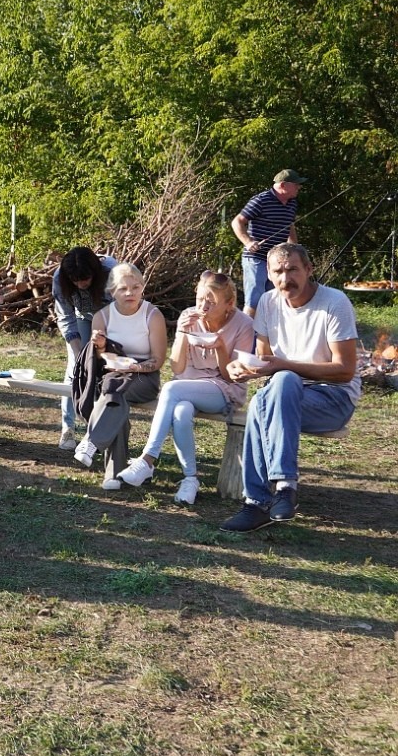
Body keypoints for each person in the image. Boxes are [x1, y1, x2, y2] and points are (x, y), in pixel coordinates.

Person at [219, 243, 360, 532]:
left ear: (309, 270)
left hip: (333, 398)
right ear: (268, 275)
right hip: (283, 394)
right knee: (265, 397)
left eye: (293, 269)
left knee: (282, 381)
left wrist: (284, 366)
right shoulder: (268, 303)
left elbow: (345, 371)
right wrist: (242, 368)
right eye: (278, 272)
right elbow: (265, 359)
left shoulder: (334, 302)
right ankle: (268, 498)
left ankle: (269, 494)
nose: (286, 279)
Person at [115, 271, 255, 504]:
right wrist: (182, 333)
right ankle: (190, 478)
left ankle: (147, 459)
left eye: (211, 301)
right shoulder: (189, 316)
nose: (203, 306)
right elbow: (178, 369)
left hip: (224, 390)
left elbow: (232, 377)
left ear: (229, 304)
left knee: (171, 389)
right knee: (181, 411)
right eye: (200, 299)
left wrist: (220, 348)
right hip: (188, 385)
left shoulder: (244, 325)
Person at [72, 263, 168, 489]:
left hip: (145, 377)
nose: (130, 293)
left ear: (143, 288)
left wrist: (135, 368)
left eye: (135, 287)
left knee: (113, 394)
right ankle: (113, 475)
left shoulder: (153, 315)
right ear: (112, 291)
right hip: (112, 376)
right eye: (123, 289)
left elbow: (158, 360)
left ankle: (91, 441)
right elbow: (97, 360)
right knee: (116, 397)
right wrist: (101, 346)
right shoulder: (101, 317)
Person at [53, 247, 117, 450]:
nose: (81, 284)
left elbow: (122, 310)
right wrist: (77, 349)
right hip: (81, 319)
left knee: (103, 372)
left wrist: (102, 348)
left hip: (110, 322)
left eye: (85, 279)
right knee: (75, 369)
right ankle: (68, 429)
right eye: (75, 280)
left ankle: (97, 431)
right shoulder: (60, 278)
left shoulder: (112, 272)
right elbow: (65, 316)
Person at [232, 169, 305, 316]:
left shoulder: (292, 203)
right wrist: (248, 242)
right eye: (296, 184)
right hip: (256, 258)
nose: (299, 187)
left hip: (277, 262)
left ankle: (268, 337)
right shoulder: (261, 200)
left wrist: (295, 250)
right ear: (283, 185)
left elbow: (290, 227)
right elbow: (237, 222)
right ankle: (245, 337)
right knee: (254, 302)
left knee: (275, 301)